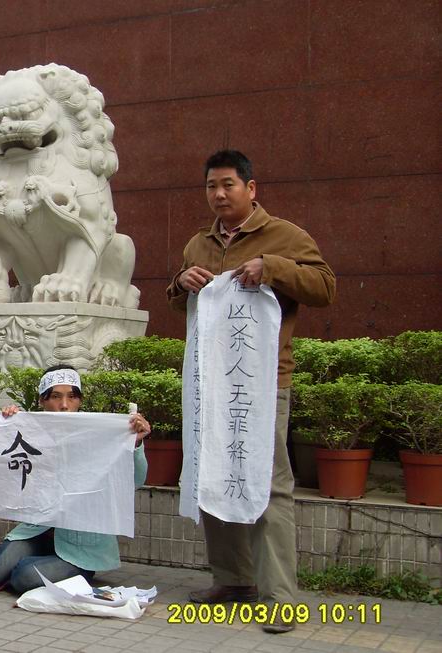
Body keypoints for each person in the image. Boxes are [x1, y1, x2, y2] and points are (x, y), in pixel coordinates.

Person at [168, 149, 335, 633]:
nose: (219, 194)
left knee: (268, 484)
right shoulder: (198, 243)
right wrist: (181, 282)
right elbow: (179, 303)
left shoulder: (285, 236)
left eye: (228, 185)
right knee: (212, 476)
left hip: (262, 383)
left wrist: (273, 268)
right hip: (209, 383)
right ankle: (233, 580)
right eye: (211, 186)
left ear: (250, 188)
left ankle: (280, 597)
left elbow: (325, 287)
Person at [0, 364, 150, 594]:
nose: (64, 405)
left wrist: (136, 443)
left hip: (80, 547)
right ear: (42, 401)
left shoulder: (98, 435)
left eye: (72, 396)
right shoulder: (30, 430)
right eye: (56, 396)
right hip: (37, 530)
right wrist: (7, 425)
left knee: (24, 577)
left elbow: (135, 480)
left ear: (80, 400)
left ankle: (19, 567)